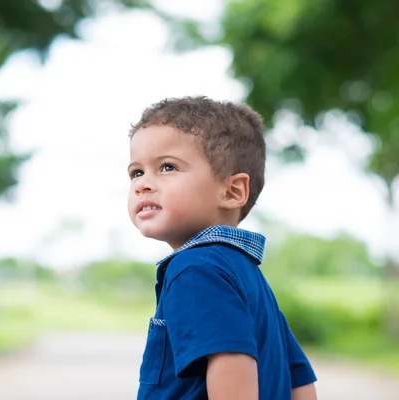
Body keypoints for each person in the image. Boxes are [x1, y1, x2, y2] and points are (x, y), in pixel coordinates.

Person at [127, 96, 317, 400]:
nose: (142, 184)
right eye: (136, 172)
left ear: (231, 191)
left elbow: (232, 371)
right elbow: (300, 382)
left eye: (166, 167)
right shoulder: (246, 273)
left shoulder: (194, 270)